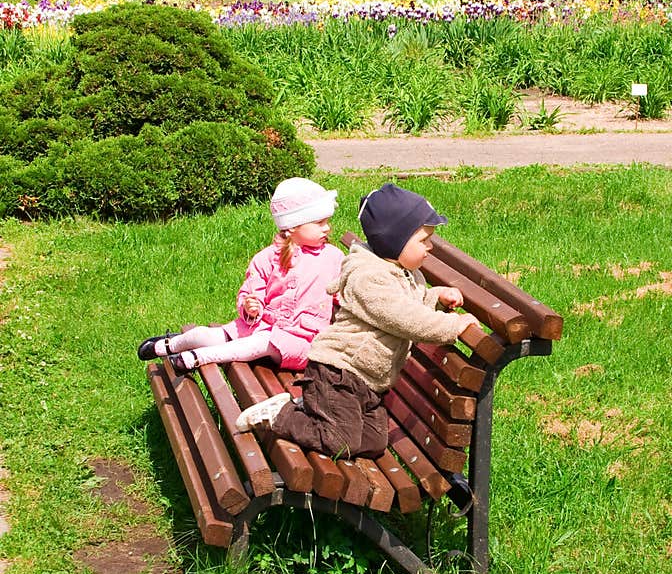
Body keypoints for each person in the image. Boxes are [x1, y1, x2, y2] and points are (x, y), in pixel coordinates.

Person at [235, 182, 480, 460]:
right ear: (395, 240)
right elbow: (404, 318)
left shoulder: (403, 272)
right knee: (341, 442)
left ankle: (313, 408)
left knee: (374, 443)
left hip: (367, 382)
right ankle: (280, 415)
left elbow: (407, 305)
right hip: (338, 373)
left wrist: (436, 299)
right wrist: (454, 326)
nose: (430, 247)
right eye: (423, 240)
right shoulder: (369, 279)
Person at [137, 177, 343, 375]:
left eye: (326, 221)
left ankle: (200, 357)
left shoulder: (333, 257)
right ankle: (170, 344)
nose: (327, 227)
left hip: (302, 341)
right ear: (291, 227)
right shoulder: (267, 258)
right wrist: (251, 307)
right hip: (263, 326)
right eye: (319, 222)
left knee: (261, 343)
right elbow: (252, 289)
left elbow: (343, 295)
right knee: (209, 334)